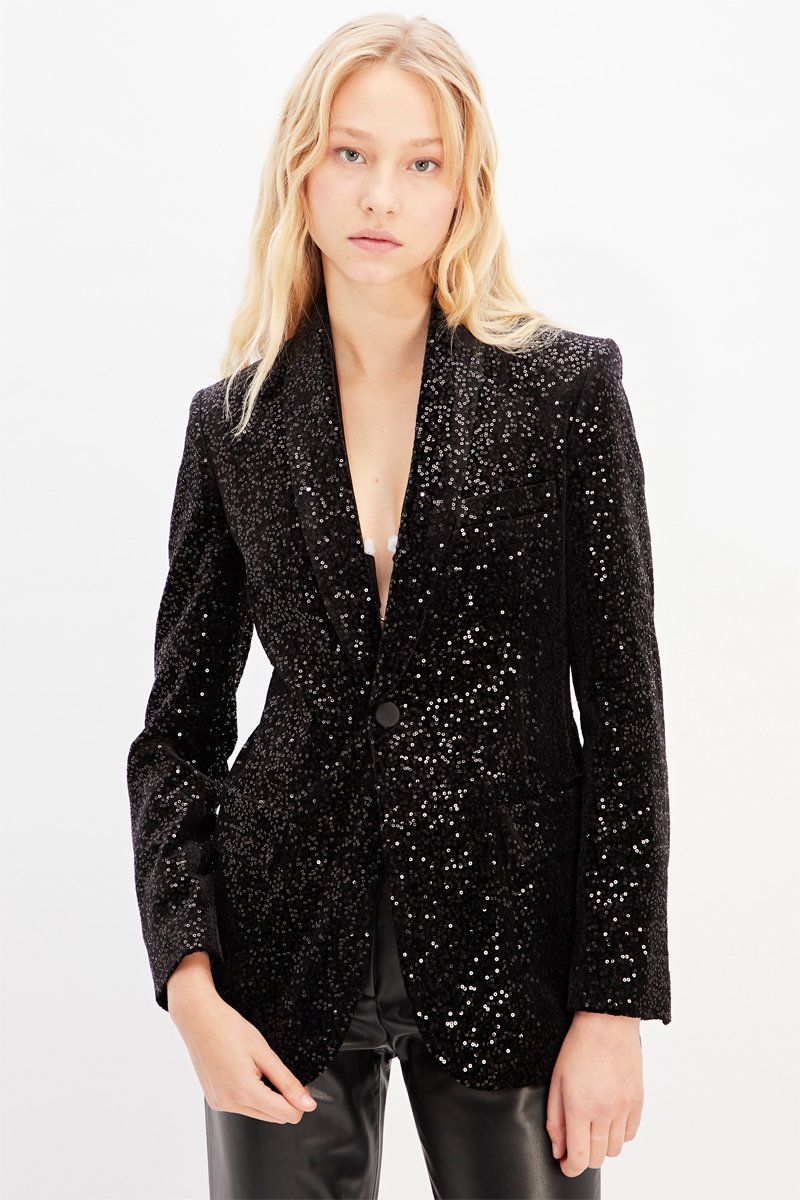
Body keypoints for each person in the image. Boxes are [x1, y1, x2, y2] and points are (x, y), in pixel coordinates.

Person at [126, 13, 671, 1200]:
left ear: (463, 187)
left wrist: (612, 1003)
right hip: (276, 971)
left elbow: (626, 717)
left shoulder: (563, 391)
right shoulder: (234, 423)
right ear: (301, 171)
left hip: (513, 961)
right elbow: (177, 734)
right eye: (350, 153)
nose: (381, 193)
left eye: (421, 162)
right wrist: (189, 986)